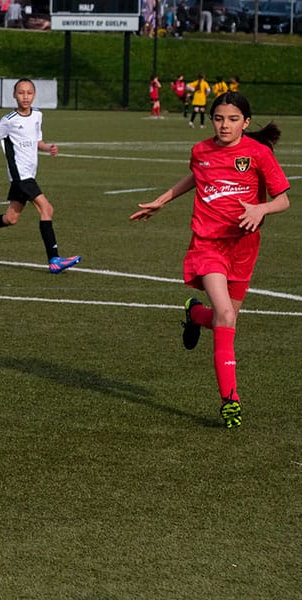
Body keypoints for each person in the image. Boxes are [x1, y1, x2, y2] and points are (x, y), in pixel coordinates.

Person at [129, 92, 290, 429]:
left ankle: (193, 313)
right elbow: (197, 176)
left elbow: (283, 200)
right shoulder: (201, 151)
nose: (224, 125)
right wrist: (164, 199)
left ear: (246, 122)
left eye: (233, 119)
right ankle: (230, 400)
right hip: (207, 245)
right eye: (219, 118)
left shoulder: (258, 153)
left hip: (244, 247)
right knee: (227, 315)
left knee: (223, 318)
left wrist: (261, 208)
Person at [0, 78, 82, 274]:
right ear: (14, 95)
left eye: (29, 93)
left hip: (29, 175)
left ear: (34, 95)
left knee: (10, 218)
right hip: (21, 177)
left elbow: (37, 142)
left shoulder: (38, 115)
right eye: (21, 93)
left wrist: (48, 147)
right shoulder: (9, 121)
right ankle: (54, 259)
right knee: (47, 208)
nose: (25, 97)